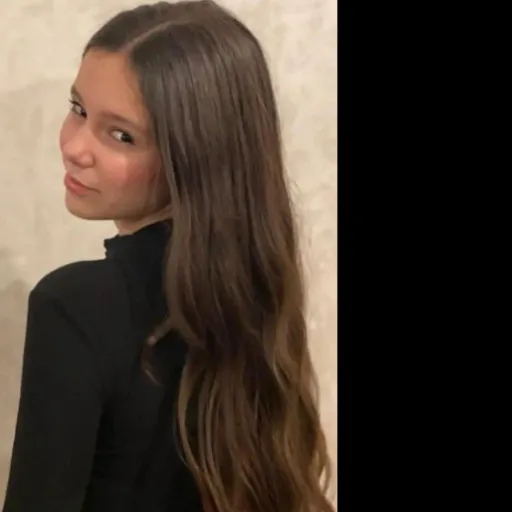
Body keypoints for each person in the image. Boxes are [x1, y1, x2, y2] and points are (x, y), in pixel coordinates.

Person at [2, 1, 334, 511]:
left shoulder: (75, 306)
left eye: (121, 135)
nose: (75, 147)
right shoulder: (255, 292)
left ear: (193, 158)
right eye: (79, 109)